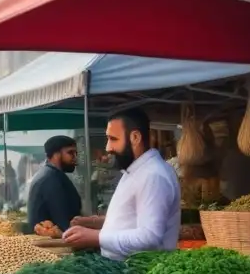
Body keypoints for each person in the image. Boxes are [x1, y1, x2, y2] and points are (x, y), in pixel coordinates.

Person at [64, 109, 180, 260]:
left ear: (135, 137)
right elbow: (132, 218)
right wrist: (94, 222)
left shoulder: (153, 175)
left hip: (138, 272)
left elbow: (149, 238)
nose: (108, 148)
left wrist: (96, 237)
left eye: (113, 139)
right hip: (121, 267)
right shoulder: (136, 170)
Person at [27, 135, 83, 232]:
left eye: (76, 153)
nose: (75, 158)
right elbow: (62, 219)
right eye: (70, 153)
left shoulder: (52, 175)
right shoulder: (50, 179)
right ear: (56, 154)